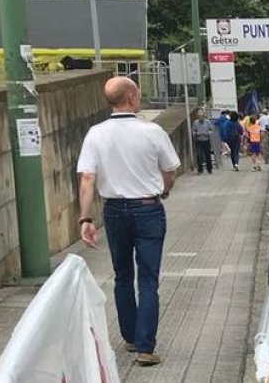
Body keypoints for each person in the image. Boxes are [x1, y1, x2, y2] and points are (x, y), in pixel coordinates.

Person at [76, 77, 180, 367]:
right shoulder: (152, 131)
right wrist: (164, 189)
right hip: (148, 209)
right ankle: (146, 347)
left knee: (122, 275)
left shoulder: (95, 134)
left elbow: (87, 177)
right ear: (132, 97)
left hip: (113, 212)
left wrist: (86, 218)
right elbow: (170, 170)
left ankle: (130, 336)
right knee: (148, 279)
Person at [191, 109, 214, 174]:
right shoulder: (195, 123)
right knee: (199, 155)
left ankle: (209, 169)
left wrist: (207, 133)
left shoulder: (207, 122)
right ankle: (200, 169)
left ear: (204, 116)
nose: (200, 118)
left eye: (202, 116)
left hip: (206, 140)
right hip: (199, 141)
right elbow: (193, 131)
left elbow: (211, 130)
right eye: (199, 116)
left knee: (208, 155)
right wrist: (197, 133)